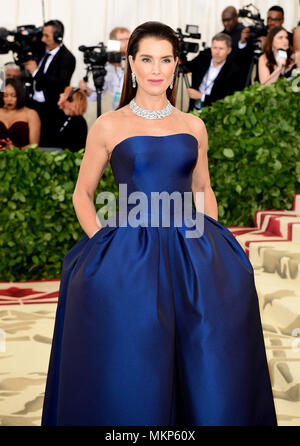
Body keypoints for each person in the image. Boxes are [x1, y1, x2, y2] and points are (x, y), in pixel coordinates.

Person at [41, 21, 277, 426]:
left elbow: (203, 189)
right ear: (132, 63)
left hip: (191, 252)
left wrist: (213, 252)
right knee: (136, 357)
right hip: (131, 256)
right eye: (146, 59)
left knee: (201, 353)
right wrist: (102, 243)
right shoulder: (108, 125)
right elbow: (83, 194)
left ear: (176, 65)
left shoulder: (193, 126)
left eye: (165, 59)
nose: (156, 69)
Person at [24, 20, 76, 147]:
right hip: (32, 106)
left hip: (51, 112)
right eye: (43, 35)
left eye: (47, 36)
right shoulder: (41, 51)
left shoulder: (67, 57)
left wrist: (36, 72)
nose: (43, 39)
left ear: (58, 37)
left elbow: (60, 84)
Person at [79, 27, 130, 111]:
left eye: (128, 39)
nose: (127, 43)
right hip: (118, 112)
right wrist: (86, 89)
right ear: (113, 43)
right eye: (122, 40)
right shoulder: (108, 66)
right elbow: (97, 95)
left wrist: (122, 64)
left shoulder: (138, 59)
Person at [186, 33, 241, 110]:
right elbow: (185, 68)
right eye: (214, 48)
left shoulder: (233, 71)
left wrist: (202, 96)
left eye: (221, 48)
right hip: (194, 109)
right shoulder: (202, 60)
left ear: (229, 50)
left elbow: (228, 99)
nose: (217, 52)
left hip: (216, 113)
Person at [0, 78, 40, 150]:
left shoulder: (31, 114)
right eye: (5, 95)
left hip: (23, 158)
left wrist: (16, 150)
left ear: (20, 95)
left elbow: (34, 145)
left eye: (13, 96)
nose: (9, 99)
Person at [56, 86, 88, 151]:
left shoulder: (79, 122)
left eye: (64, 94)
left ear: (70, 100)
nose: (60, 95)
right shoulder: (64, 117)